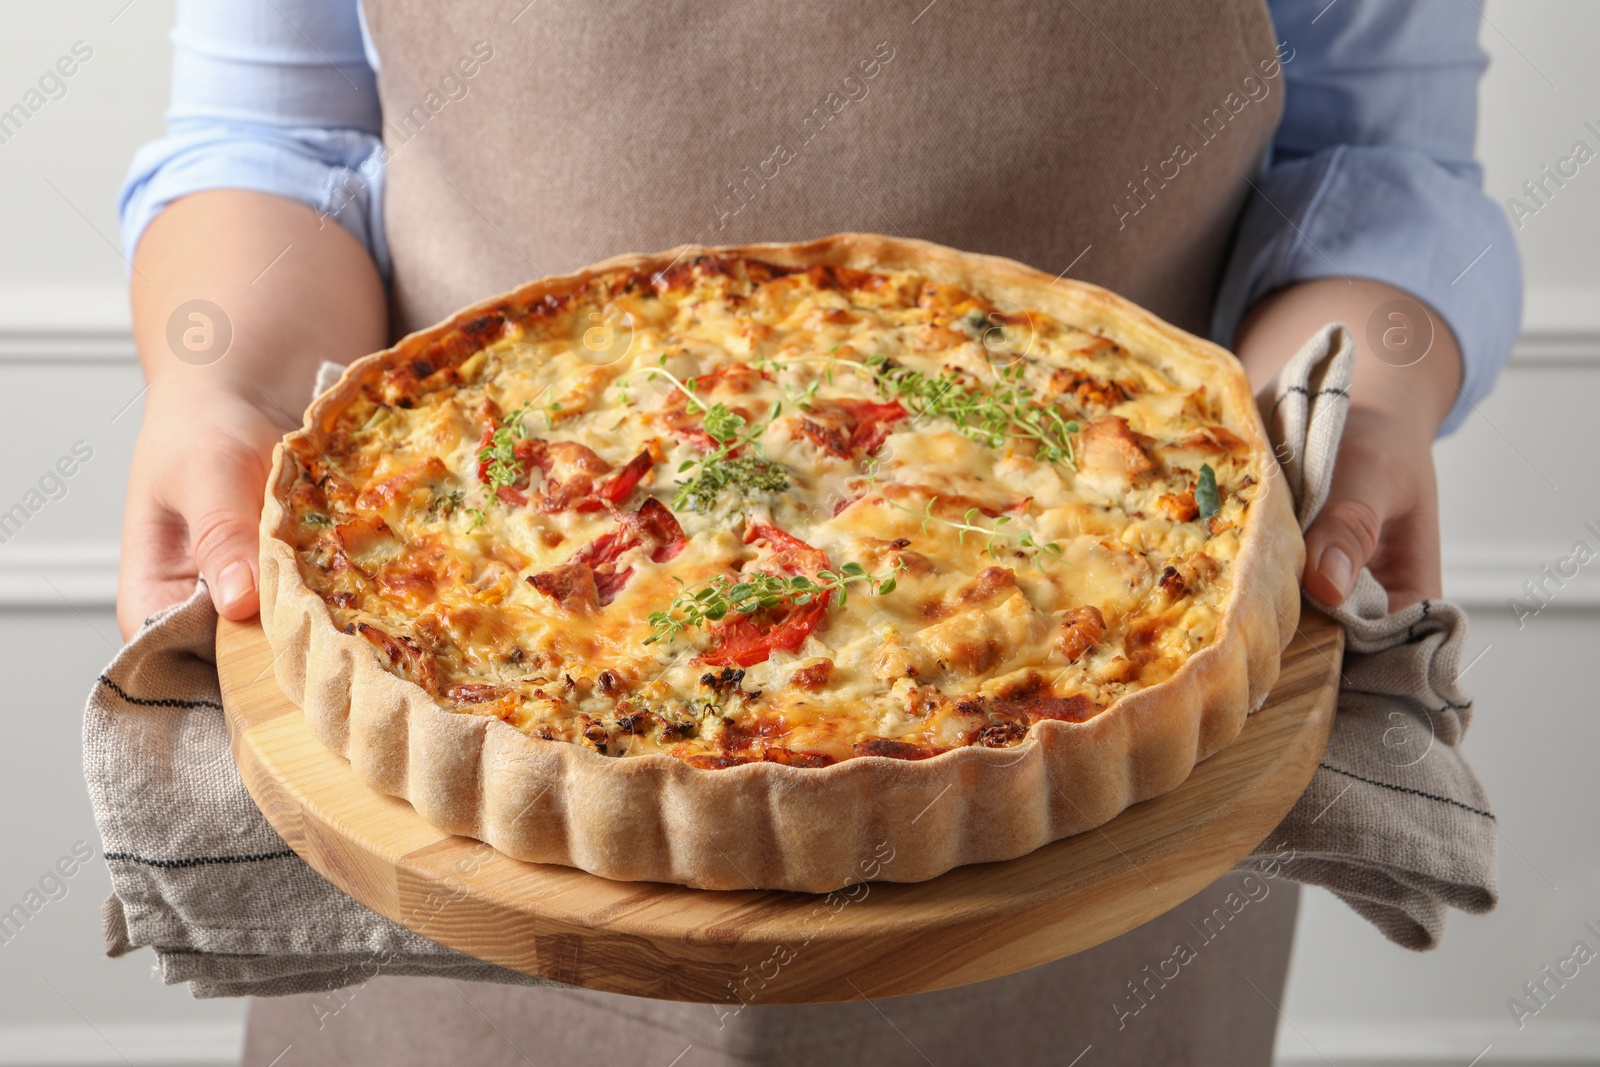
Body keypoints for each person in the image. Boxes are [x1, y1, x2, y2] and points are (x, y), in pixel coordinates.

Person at [115, 2, 1520, 1064]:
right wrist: (223, 384)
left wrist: (1365, 410)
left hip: (1112, 764)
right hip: (460, 630)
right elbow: (274, 143)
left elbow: (1380, 164)